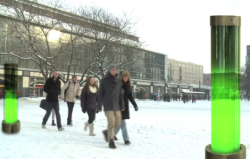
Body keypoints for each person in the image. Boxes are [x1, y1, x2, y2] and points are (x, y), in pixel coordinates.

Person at [97, 64, 124, 149]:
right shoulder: (104, 81)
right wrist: (99, 105)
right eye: (112, 70)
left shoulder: (119, 81)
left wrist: (122, 105)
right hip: (108, 104)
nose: (114, 71)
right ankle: (111, 141)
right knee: (111, 122)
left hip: (116, 105)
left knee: (118, 122)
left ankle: (107, 132)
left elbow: (120, 95)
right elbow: (100, 94)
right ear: (109, 71)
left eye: (115, 70)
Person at [113, 71, 138, 145]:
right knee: (122, 123)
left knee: (120, 123)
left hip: (125, 107)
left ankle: (112, 134)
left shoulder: (128, 86)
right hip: (118, 106)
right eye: (124, 76)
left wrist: (135, 105)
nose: (125, 78)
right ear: (122, 77)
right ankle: (126, 139)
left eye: (127, 77)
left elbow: (130, 97)